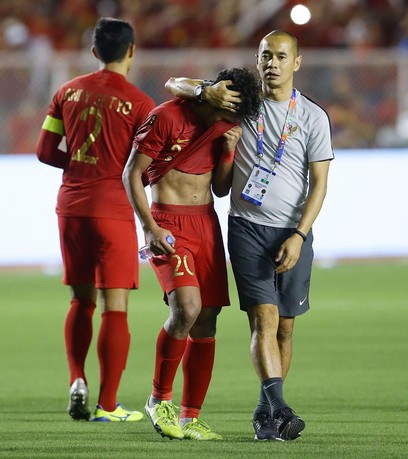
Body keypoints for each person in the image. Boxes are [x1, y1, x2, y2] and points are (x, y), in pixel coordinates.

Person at [165, 29, 334, 440]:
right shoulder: (238, 104)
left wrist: (299, 235)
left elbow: (320, 184)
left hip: (292, 233)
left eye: (280, 56)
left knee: (286, 327)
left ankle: (266, 413)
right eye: (264, 56)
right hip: (246, 228)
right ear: (256, 60)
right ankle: (280, 407)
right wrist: (211, 103)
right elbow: (175, 85)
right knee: (264, 318)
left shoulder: (312, 116)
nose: (271, 63)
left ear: (296, 62)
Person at [122, 67, 261, 440]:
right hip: (169, 222)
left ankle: (190, 417)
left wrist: (229, 152)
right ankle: (159, 399)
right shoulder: (167, 116)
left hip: (206, 224)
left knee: (208, 321)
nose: (233, 120)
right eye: (230, 111)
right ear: (216, 96)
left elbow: (218, 189)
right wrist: (150, 227)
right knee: (186, 309)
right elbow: (131, 174)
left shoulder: (223, 128)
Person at [35, 17, 155, 422]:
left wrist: (81, 168)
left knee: (80, 300)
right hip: (113, 211)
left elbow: (44, 150)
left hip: (71, 207)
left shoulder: (66, 92)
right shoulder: (140, 104)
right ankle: (107, 405)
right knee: (114, 307)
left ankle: (76, 379)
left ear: (93, 53)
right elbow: (146, 166)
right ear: (132, 51)